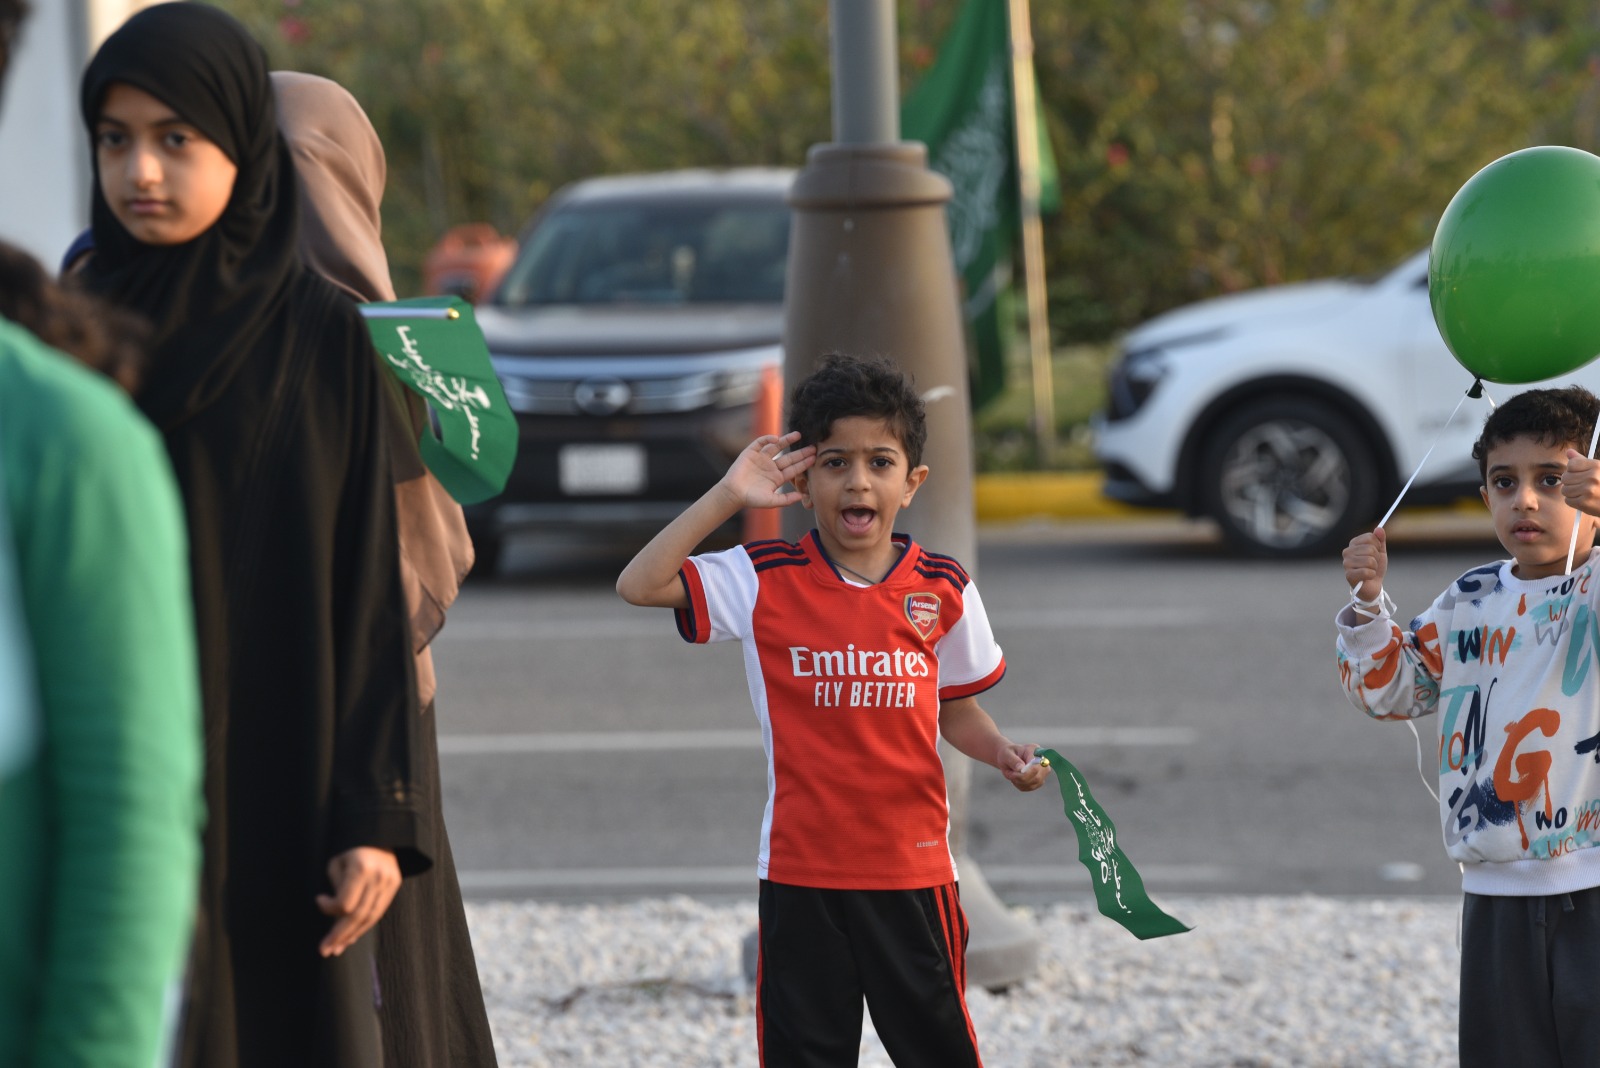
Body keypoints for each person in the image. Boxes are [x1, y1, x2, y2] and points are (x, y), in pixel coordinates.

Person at [79, 6, 429, 1066]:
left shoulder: (324, 339)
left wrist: (373, 816)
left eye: (176, 139)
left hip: (282, 759)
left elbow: (368, 594)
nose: (141, 170)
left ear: (241, 145)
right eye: (115, 139)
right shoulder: (71, 332)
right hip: (107, 752)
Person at [617, 352, 1048, 1066]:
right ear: (803, 480)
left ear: (911, 483)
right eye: (835, 462)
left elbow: (956, 710)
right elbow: (639, 584)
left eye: (880, 462)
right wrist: (730, 494)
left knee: (938, 1051)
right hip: (801, 875)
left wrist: (1003, 752)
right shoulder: (762, 579)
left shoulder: (943, 588)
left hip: (913, 874)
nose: (858, 481)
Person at [272, 69, 495, 1068]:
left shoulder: (386, 340)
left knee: (383, 964)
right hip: (287, 688)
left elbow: (434, 533)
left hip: (364, 694)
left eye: (304, 171)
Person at [1338, 385, 1600, 1067]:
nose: (1526, 500)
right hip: (1496, 893)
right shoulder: (1471, 598)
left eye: (1552, 479)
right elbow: (1388, 692)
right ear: (1485, 496)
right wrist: (1368, 606)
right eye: (1504, 482)